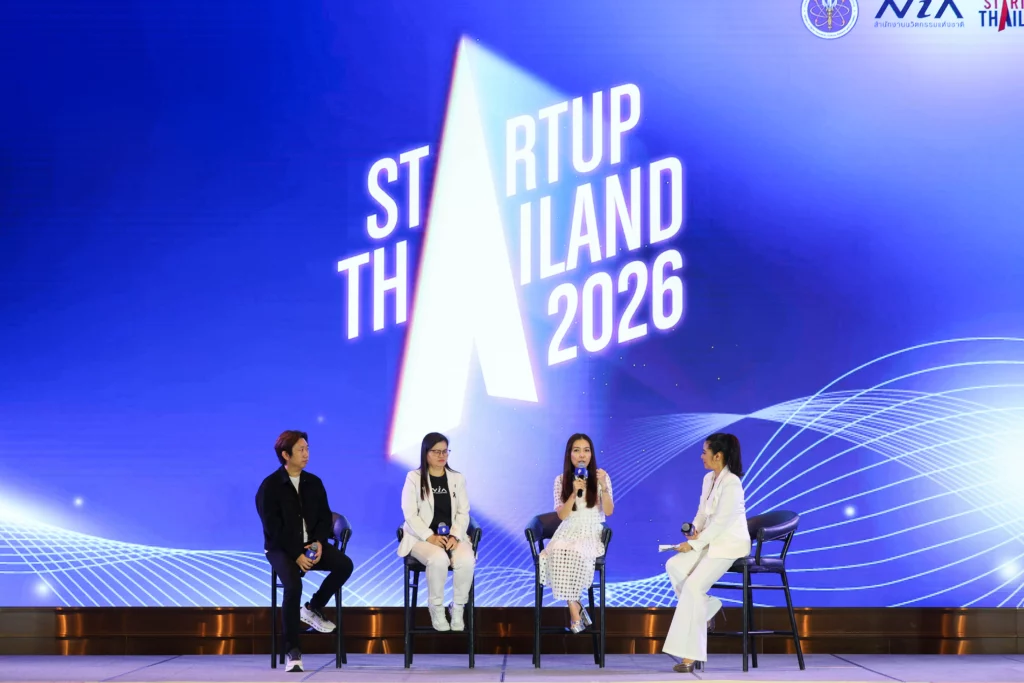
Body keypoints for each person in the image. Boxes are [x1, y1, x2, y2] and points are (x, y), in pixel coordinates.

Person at [255, 430, 354, 673]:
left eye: (307, 448)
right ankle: (293, 650)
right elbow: (273, 529)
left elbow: (324, 518)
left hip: (310, 545)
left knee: (345, 565)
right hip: (280, 548)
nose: (306, 454)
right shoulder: (270, 486)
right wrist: (296, 555)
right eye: (301, 449)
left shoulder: (314, 483)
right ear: (285, 455)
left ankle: (313, 608)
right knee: (293, 586)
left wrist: (318, 543)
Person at [662, 433, 751, 673]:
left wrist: (694, 545)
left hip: (729, 544)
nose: (702, 456)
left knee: (693, 587)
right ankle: (709, 606)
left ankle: (689, 656)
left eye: (705, 452)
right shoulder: (708, 479)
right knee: (674, 565)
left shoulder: (732, 483)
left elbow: (721, 523)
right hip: (710, 541)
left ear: (718, 455)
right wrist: (693, 531)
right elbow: (702, 513)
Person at [398, 432, 474, 632]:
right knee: (439, 559)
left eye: (445, 451)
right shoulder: (414, 478)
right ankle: (436, 607)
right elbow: (410, 513)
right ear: (426, 453)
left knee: (467, 560)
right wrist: (430, 537)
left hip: (452, 537)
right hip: (421, 538)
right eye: (436, 451)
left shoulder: (457, 478)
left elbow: (463, 512)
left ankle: (457, 608)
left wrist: (455, 535)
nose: (442, 455)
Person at [539, 433, 614, 633]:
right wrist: (573, 493)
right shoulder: (560, 480)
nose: (582, 455)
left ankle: (575, 611)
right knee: (556, 550)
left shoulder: (601, 477)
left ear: (591, 454)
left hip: (590, 530)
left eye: (586, 450)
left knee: (575, 551)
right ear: (569, 454)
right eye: (577, 450)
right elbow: (562, 515)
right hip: (568, 529)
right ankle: (576, 606)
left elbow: (608, 511)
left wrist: (604, 487)